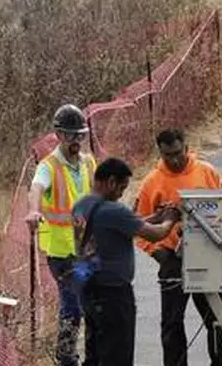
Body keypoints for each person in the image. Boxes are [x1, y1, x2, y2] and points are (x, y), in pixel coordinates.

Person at [134, 128, 222, 366]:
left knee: (217, 319)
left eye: (178, 153)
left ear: (186, 148)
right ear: (161, 153)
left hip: (207, 255)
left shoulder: (206, 172)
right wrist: (157, 252)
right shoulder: (151, 183)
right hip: (172, 259)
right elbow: (138, 226)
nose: (175, 160)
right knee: (172, 324)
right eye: (168, 155)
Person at [73, 157, 180, 366]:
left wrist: (156, 216)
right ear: (111, 182)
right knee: (118, 355)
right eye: (121, 188)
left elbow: (122, 225)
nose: (121, 194)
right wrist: (171, 219)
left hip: (89, 289)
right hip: (113, 295)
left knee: (95, 353)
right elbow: (156, 235)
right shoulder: (114, 210)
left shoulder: (82, 205)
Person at [26, 103, 98, 366]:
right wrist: (34, 211)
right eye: (71, 136)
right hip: (62, 254)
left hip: (87, 250)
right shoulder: (49, 166)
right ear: (58, 135)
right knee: (72, 308)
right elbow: (36, 188)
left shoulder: (89, 162)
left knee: (94, 307)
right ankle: (66, 359)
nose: (76, 141)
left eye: (80, 136)